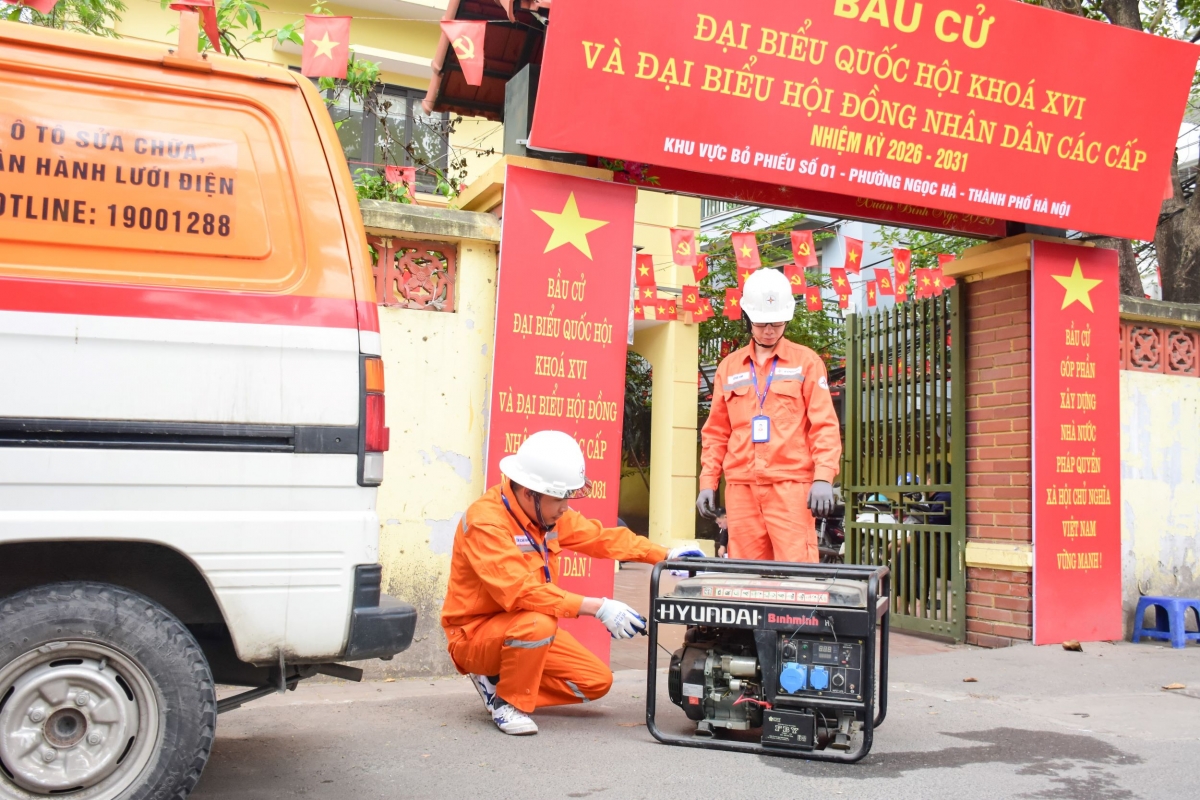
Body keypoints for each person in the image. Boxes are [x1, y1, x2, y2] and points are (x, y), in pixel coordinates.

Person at [441, 430, 702, 736]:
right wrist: (599, 607)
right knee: (539, 623)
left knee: (595, 681)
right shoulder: (486, 523)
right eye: (558, 498)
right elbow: (522, 591)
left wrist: (665, 555)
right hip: (475, 635)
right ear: (529, 493)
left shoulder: (546, 514)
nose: (565, 506)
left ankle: (497, 684)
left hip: (524, 626)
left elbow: (601, 538)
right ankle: (508, 704)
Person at [696, 268, 841, 562]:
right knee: (744, 575)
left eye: (777, 323)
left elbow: (824, 425)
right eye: (762, 324)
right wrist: (707, 482)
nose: (770, 331)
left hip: (791, 487)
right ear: (747, 318)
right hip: (741, 489)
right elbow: (716, 432)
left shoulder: (806, 362)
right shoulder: (729, 368)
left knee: (796, 572)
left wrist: (824, 478)